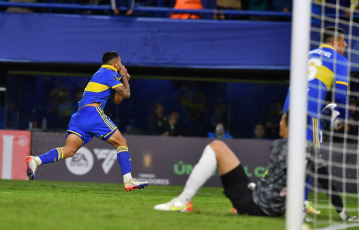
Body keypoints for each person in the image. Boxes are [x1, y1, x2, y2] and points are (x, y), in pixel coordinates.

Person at [154, 111, 359, 222]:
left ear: (288, 125)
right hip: (272, 207)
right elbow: (325, 180)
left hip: (253, 205)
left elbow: (285, 179)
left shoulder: (279, 145)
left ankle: (182, 202)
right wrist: (341, 212)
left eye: (282, 121)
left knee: (217, 146)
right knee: (226, 153)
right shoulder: (312, 149)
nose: (279, 124)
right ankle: (183, 202)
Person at [25, 51, 149, 191]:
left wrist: (123, 79)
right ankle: (128, 181)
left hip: (80, 116)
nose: (122, 65)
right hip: (92, 113)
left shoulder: (102, 73)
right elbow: (126, 94)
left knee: (69, 150)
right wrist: (125, 79)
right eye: (120, 63)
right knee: (121, 143)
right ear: (115, 64)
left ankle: (35, 160)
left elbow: (117, 100)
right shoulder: (108, 73)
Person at [283, 26, 349, 214]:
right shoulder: (340, 60)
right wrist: (344, 117)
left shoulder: (305, 55)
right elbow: (342, 96)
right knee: (313, 157)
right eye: (343, 41)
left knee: (287, 154)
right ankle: (301, 203)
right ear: (335, 42)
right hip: (309, 111)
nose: (345, 44)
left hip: (289, 107)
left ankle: (270, 192)